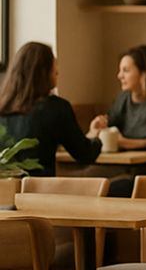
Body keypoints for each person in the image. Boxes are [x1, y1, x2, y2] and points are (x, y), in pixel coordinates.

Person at [0, 41, 101, 175]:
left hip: (6, 192)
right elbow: (85, 154)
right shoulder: (55, 108)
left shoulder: (3, 109)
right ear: (44, 71)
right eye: (54, 65)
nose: (57, 71)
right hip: (39, 192)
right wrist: (97, 137)